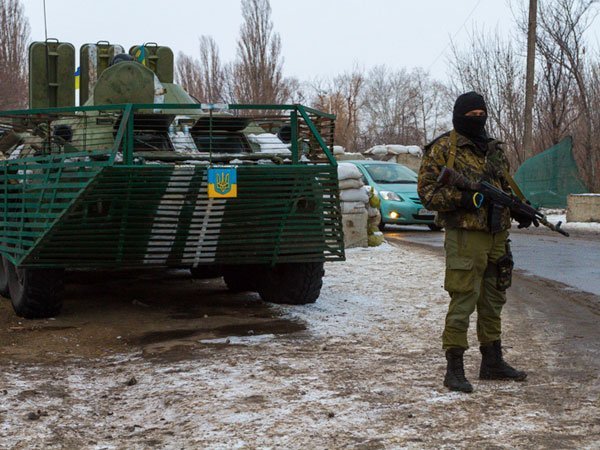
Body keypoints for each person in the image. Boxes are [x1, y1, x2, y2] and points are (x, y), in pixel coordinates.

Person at [417, 91, 529, 393]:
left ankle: (492, 362)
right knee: (464, 299)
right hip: (465, 236)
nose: (478, 119)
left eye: (482, 113)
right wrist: (465, 199)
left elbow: (504, 186)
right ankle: (454, 369)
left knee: (494, 300)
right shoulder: (444, 149)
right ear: (458, 115)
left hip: (497, 235)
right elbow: (427, 194)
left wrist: (519, 207)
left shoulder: (493, 149)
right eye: (472, 114)